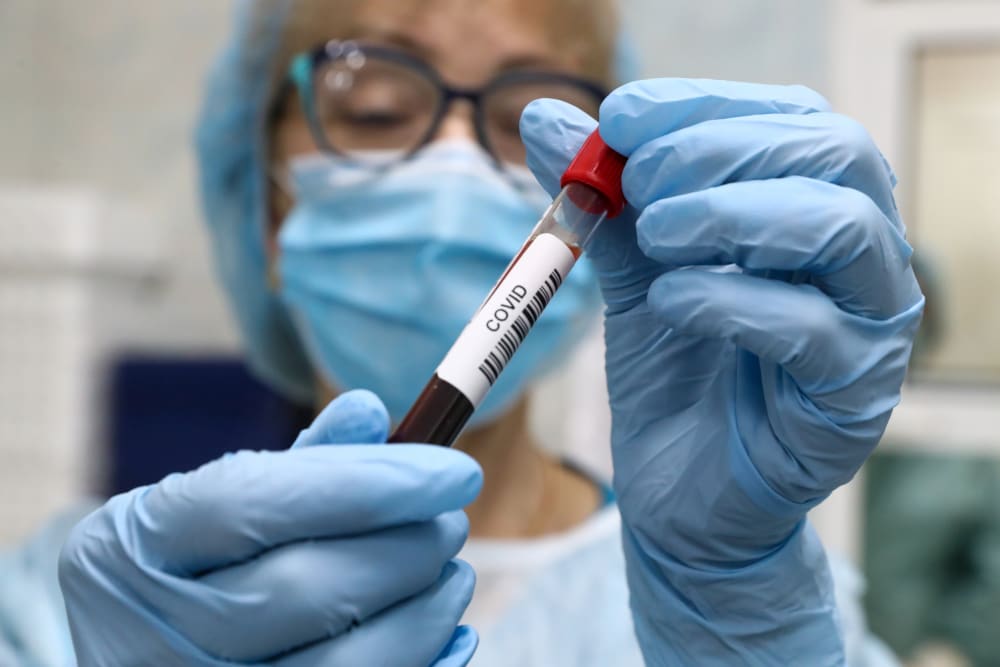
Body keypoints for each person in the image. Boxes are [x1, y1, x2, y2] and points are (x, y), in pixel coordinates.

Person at [1, 0, 923, 664]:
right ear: (269, 216)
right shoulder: (95, 608)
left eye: (522, 121)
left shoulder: (765, 606)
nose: (450, 168)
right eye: (373, 108)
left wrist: (732, 603)